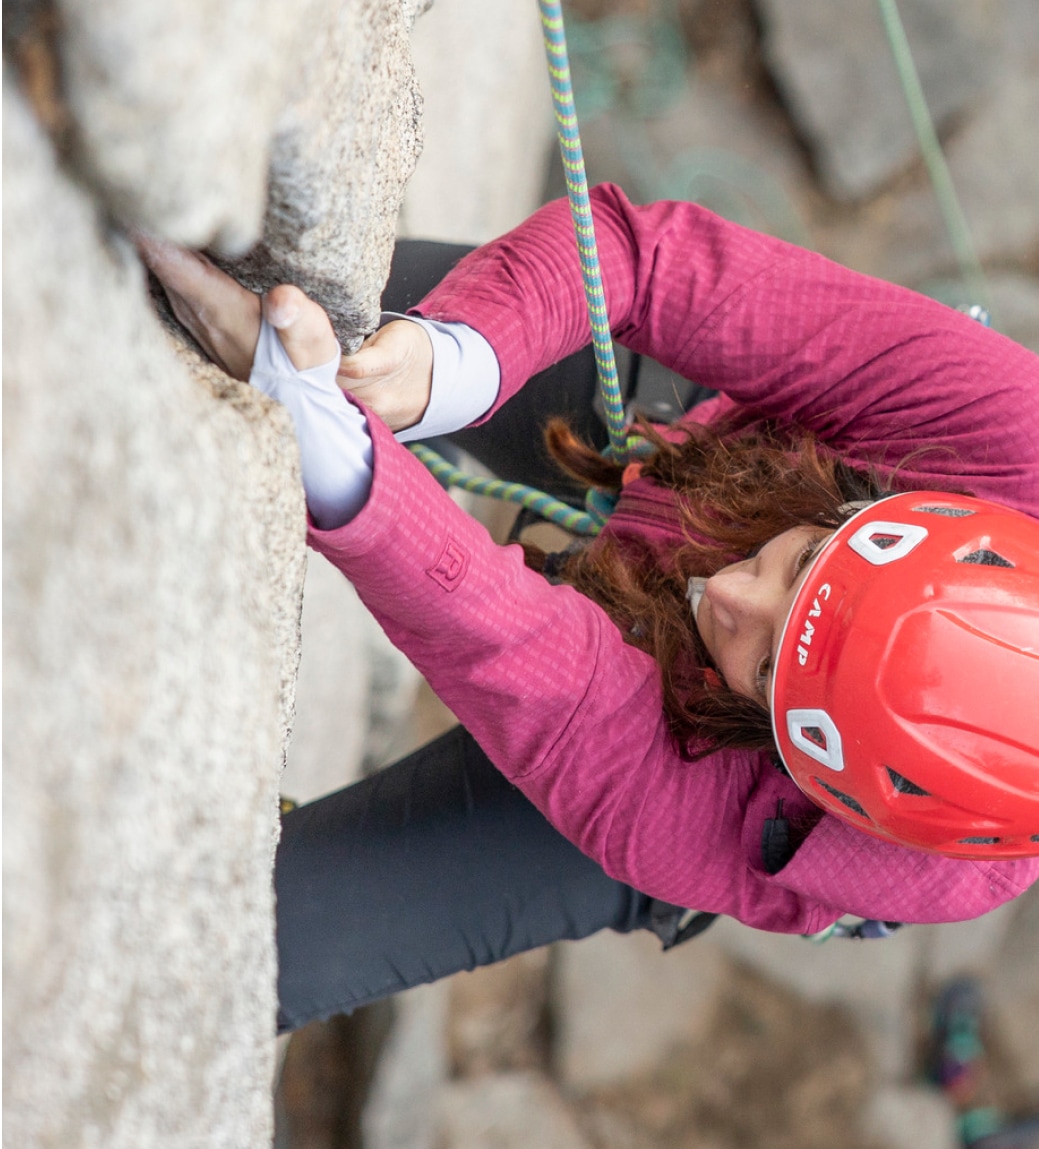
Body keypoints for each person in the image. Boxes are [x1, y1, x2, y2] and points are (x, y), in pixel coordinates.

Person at [137, 185, 1039, 1033]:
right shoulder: (1011, 442)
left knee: (215, 966)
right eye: (801, 563)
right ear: (880, 516)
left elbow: (586, 721)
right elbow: (651, 262)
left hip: (674, 760)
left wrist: (347, 469)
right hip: (706, 455)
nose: (727, 594)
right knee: (302, 293)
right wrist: (452, 359)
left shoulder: (891, 843)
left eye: (769, 664)